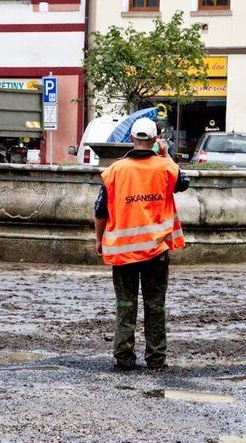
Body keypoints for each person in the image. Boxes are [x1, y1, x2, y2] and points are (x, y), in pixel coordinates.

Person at [94, 117, 189, 372]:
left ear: (131, 138)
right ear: (155, 139)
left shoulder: (115, 170)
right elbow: (184, 182)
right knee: (155, 305)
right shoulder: (165, 168)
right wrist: (167, 155)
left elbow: (100, 209)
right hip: (156, 250)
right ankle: (156, 359)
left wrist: (99, 240)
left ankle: (124, 358)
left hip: (123, 252)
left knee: (125, 306)